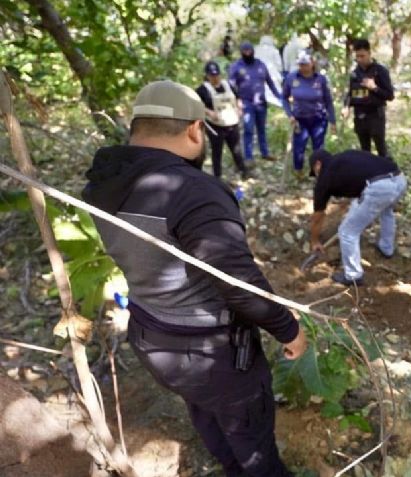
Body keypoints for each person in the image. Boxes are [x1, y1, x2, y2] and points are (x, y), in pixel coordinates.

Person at [82, 80, 307, 477]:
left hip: (155, 340)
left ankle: (232, 468)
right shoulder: (192, 191)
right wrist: (289, 329)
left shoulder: (102, 185)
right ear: (193, 130)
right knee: (251, 437)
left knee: (205, 412)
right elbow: (237, 283)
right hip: (211, 353)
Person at [308, 149, 406, 285]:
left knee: (347, 232)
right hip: (399, 179)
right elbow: (357, 183)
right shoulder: (346, 157)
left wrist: (314, 241)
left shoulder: (325, 177)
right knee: (386, 211)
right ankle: (386, 248)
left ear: (318, 164)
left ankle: (353, 275)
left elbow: (318, 216)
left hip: (379, 187)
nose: (317, 176)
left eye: (315, 172)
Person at [282, 52, 336, 176]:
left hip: (319, 119)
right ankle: (298, 171)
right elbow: (284, 98)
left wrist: (332, 120)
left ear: (312, 63)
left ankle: (317, 173)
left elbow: (328, 101)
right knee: (299, 147)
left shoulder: (321, 79)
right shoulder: (291, 78)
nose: (303, 67)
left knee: (318, 148)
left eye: (305, 64)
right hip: (299, 119)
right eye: (300, 64)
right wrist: (290, 114)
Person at [229, 41, 282, 163]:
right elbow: (231, 85)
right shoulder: (236, 66)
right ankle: (248, 156)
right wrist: (237, 100)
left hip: (261, 102)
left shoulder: (260, 65)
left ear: (253, 51)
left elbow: (270, 83)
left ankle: (265, 152)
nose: (248, 53)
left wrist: (280, 97)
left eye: (249, 51)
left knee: (261, 129)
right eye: (245, 51)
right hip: (246, 103)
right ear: (241, 52)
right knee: (248, 129)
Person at [196, 61, 249, 180]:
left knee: (236, 150)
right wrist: (209, 112)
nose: (215, 78)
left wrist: (239, 108)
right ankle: (217, 176)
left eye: (217, 75)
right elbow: (196, 104)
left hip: (232, 123)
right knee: (217, 152)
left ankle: (243, 171)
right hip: (215, 126)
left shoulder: (228, 85)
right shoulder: (202, 90)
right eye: (212, 75)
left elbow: (238, 97)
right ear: (207, 75)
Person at [345, 39, 394, 157]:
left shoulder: (380, 71)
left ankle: (388, 173)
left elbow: (390, 95)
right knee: (365, 152)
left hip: (375, 116)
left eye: (362, 56)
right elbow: (351, 93)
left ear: (369, 53)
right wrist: (346, 106)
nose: (360, 59)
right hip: (360, 117)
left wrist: (374, 88)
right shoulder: (355, 73)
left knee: (381, 149)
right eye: (357, 56)